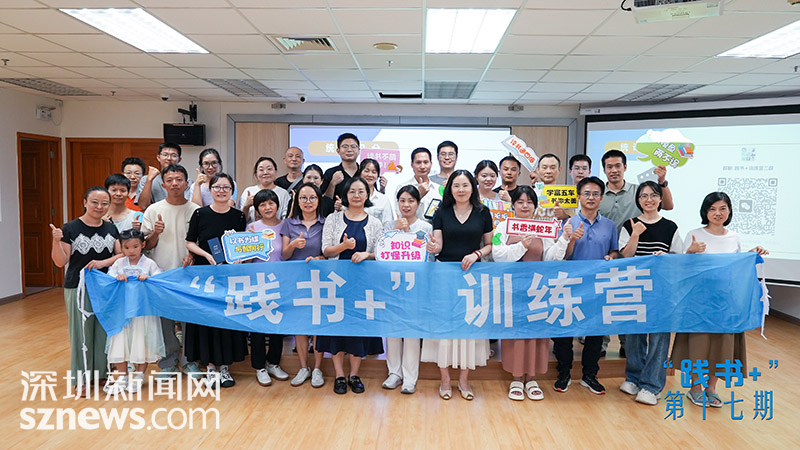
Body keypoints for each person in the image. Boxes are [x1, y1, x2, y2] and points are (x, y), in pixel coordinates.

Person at [671, 191, 768, 408]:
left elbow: (736, 266)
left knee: (722, 344)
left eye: (722, 208)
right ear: (705, 212)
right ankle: (695, 388)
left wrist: (752, 254)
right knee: (699, 343)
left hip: (726, 300)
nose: (717, 213)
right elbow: (682, 270)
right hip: (698, 300)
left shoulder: (734, 237)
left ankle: (712, 388)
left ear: (729, 211)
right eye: (712, 209)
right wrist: (690, 252)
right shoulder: (695, 234)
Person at [492, 185, 572, 401]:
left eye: (529, 202)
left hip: (538, 289)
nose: (525, 206)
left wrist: (564, 239)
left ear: (535, 206)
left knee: (537, 333)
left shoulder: (542, 228)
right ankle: (517, 378)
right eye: (520, 202)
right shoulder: (503, 227)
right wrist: (521, 246)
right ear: (513, 204)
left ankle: (532, 378)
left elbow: (551, 257)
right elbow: (498, 254)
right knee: (516, 334)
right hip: (513, 289)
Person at [422, 170, 493, 401]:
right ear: (449, 189)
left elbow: (489, 245)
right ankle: (444, 379)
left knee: (468, 327)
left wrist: (476, 254)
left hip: (472, 277)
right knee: (444, 326)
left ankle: (464, 379)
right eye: (456, 185)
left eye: (465, 185)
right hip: (445, 276)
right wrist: (433, 248)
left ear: (473, 187)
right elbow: (439, 245)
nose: (461, 190)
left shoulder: (483, 212)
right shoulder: (441, 212)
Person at [598, 149, 674, 357]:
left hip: (631, 258)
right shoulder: (598, 194)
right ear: (604, 169)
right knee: (604, 301)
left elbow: (667, 206)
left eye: (618, 165)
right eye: (609, 167)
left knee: (628, 302)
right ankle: (601, 345)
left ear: (625, 167)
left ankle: (627, 346)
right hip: (605, 255)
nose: (614, 170)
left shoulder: (638, 191)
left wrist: (662, 182)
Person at [50, 186, 121, 396]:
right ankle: (81, 379)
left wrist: (102, 263)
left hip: (105, 287)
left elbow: (121, 254)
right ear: (85, 202)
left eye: (104, 203)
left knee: (103, 331)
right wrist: (56, 241)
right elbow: (60, 261)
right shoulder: (70, 228)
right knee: (81, 332)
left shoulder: (111, 228)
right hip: (78, 287)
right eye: (94, 202)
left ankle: (101, 374)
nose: (99, 207)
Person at [617, 181, 683, 406]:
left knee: (658, 338)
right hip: (634, 288)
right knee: (634, 336)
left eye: (653, 195)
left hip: (661, 290)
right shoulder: (629, 224)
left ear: (660, 199)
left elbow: (678, 258)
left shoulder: (670, 227)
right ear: (638, 200)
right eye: (644, 196)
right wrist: (635, 234)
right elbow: (625, 256)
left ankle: (652, 385)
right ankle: (634, 378)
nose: (649, 200)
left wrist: (665, 257)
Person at [554, 176, 620, 396]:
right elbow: (562, 256)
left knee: (595, 332)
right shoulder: (567, 224)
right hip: (570, 284)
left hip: (598, 285)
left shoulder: (610, 225)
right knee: (565, 331)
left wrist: (611, 257)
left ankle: (590, 375)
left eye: (595, 194)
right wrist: (572, 239)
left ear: (601, 198)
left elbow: (614, 251)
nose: (591, 198)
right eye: (586, 193)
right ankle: (564, 373)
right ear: (579, 197)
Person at [317, 177, 384, 394]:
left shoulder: (375, 223)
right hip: (336, 283)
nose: (356, 195)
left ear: (367, 195)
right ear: (345, 194)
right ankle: (339, 375)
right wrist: (343, 247)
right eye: (352, 191)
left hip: (363, 285)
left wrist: (367, 254)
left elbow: (381, 254)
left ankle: (354, 375)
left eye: (361, 191)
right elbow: (326, 250)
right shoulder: (333, 218)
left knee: (358, 330)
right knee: (336, 329)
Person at [185, 173, 248, 388]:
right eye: (217, 187)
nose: (221, 191)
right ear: (210, 190)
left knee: (227, 319)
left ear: (232, 191)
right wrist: (206, 255)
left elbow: (243, 245)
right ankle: (210, 367)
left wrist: (239, 258)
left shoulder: (239, 216)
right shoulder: (200, 214)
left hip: (230, 276)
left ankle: (225, 368)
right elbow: (190, 242)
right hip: (205, 274)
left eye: (226, 188)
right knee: (208, 320)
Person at [141, 164, 202, 381]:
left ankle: (189, 361)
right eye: (169, 180)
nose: (174, 183)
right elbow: (146, 246)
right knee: (164, 323)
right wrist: (155, 233)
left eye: (179, 179)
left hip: (189, 274)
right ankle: (168, 363)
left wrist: (192, 255)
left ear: (187, 183)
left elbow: (200, 242)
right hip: (161, 275)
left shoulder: (196, 210)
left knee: (189, 321)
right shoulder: (153, 210)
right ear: (163, 184)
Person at [381, 185, 432, 395]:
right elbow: (381, 252)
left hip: (415, 284)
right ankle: (394, 373)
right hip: (392, 283)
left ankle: (410, 378)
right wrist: (396, 230)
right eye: (402, 200)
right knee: (392, 329)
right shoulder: (389, 225)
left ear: (418, 204)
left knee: (411, 331)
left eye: (411, 200)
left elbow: (430, 258)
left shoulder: (425, 227)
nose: (406, 205)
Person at [104, 229, 164, 395]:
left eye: (135, 246)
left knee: (141, 340)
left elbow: (159, 280)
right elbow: (109, 279)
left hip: (142, 311)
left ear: (143, 245)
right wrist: (116, 278)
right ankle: (122, 376)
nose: (131, 251)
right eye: (127, 247)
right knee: (119, 341)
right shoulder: (119, 264)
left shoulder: (149, 264)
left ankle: (139, 376)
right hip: (122, 311)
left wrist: (149, 279)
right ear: (121, 247)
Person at [281, 182, 327, 388]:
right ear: (297, 201)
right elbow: (284, 255)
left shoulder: (326, 223)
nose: (308, 202)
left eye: (312, 198)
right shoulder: (288, 224)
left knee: (318, 325)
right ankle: (303, 367)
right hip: (295, 281)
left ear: (318, 200)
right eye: (303, 198)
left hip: (320, 280)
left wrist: (320, 258)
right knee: (299, 325)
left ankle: (317, 368)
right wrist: (292, 245)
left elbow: (329, 252)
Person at [246, 189, 290, 386]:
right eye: (262, 205)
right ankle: (259, 367)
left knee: (277, 323)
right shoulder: (252, 227)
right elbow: (246, 260)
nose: (267, 207)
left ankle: (274, 363)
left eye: (270, 203)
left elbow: (287, 254)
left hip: (280, 282)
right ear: (257, 209)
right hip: (257, 282)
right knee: (258, 324)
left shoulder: (285, 226)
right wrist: (251, 245)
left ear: (277, 205)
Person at [137, 143, 192, 210]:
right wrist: (149, 180)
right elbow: (143, 206)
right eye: (165, 155)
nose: (169, 158)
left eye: (174, 155)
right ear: (158, 157)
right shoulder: (146, 179)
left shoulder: (186, 181)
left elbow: (184, 204)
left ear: (179, 159)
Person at [394, 147, 442, 224]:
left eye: (426, 162)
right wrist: (419, 195)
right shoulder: (402, 187)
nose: (422, 166)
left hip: (433, 230)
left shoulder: (438, 189)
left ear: (431, 164)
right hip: (409, 229)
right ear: (412, 164)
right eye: (418, 162)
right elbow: (400, 216)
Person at [240, 156, 291, 222]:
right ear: (256, 173)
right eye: (261, 170)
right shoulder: (248, 191)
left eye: (269, 169)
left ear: (275, 171)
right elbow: (241, 220)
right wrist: (246, 206)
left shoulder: (283, 193)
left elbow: (286, 219)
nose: (265, 172)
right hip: (252, 228)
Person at [322, 133, 361, 202]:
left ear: (358, 150)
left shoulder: (364, 172)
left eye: (353, 146)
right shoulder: (330, 173)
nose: (349, 150)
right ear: (338, 151)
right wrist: (332, 184)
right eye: (345, 147)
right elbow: (324, 201)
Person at [531, 154, 571, 222]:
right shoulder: (530, 194)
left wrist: (564, 215)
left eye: (553, 168)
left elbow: (573, 219)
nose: (548, 171)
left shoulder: (566, 194)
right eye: (544, 167)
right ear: (538, 170)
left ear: (559, 170)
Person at [356, 158, 395, 226]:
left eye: (374, 172)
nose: (370, 175)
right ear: (360, 173)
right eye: (366, 171)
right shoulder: (351, 195)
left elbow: (388, 225)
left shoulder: (383, 199)